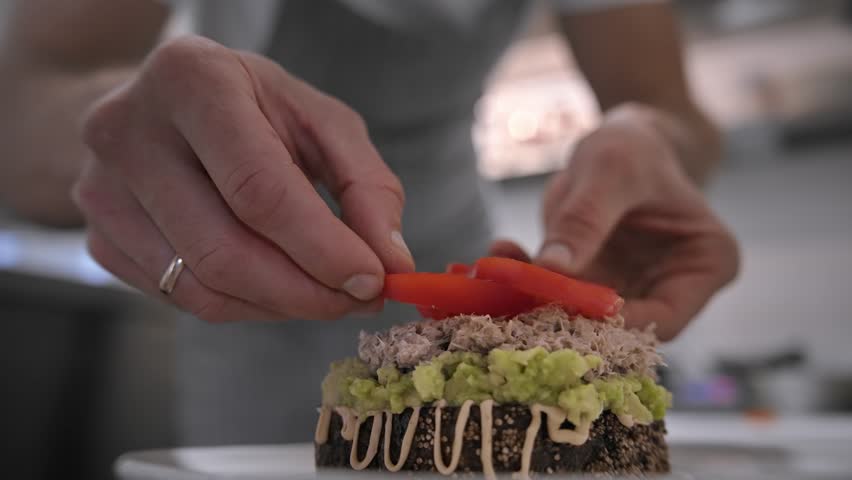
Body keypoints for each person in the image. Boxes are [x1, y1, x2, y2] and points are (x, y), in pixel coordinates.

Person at [0, 0, 739, 444]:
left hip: (448, 265)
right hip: (237, 292)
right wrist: (124, 139)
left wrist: (654, 137)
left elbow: (667, 108)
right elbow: (20, 112)